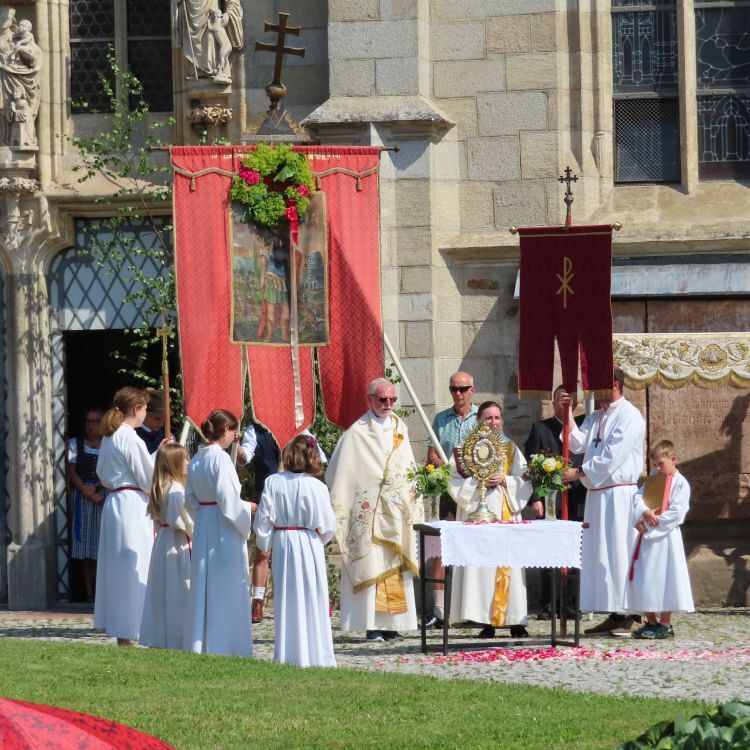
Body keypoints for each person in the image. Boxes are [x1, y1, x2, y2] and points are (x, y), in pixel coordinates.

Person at [326, 378, 424, 643]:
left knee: (395, 562)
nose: (388, 404)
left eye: (392, 399)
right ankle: (371, 624)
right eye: (382, 399)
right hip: (368, 513)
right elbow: (338, 473)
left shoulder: (400, 429)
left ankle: (393, 624)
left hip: (395, 511)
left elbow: (407, 468)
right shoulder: (356, 433)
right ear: (369, 400)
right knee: (371, 562)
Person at [561, 367, 645, 636]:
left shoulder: (630, 416)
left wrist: (578, 473)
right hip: (597, 494)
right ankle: (615, 611)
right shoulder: (597, 416)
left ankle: (631, 611)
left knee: (620, 551)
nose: (591, 391)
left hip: (619, 495)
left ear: (615, 384)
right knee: (602, 555)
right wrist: (567, 411)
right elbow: (577, 444)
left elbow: (612, 457)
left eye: (595, 384)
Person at [448, 401, 532, 638]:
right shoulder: (467, 448)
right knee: (484, 567)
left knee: (509, 564)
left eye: (497, 418)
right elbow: (452, 479)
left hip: (505, 513)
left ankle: (516, 621)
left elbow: (525, 478)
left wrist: (505, 480)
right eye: (488, 418)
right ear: (478, 421)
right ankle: (487, 621)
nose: (493, 422)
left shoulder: (510, 448)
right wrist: (478, 480)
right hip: (478, 514)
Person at [253, 434, 337, 667]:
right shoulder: (317, 486)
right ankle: (315, 652)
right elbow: (328, 525)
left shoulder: (273, 482)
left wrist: (265, 543)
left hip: (283, 542)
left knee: (286, 595)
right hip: (309, 542)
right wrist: (317, 539)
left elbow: (263, 520)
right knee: (311, 595)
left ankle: (288, 651)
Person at [184, 409, 254, 657]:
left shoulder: (196, 459)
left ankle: (203, 639)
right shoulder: (221, 460)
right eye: (234, 431)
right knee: (225, 584)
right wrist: (247, 510)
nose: (236, 437)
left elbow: (189, 498)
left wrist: (202, 516)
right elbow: (229, 500)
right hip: (223, 527)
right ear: (226, 431)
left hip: (205, 522)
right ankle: (225, 641)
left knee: (205, 582)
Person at [95, 387, 156, 646]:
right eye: (144, 409)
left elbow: (109, 472)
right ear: (136, 409)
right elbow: (147, 479)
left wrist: (157, 454)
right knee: (135, 564)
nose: (145, 414)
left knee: (118, 568)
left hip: (115, 503)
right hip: (131, 506)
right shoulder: (130, 437)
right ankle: (133, 627)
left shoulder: (110, 436)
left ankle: (123, 629)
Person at [523, 385, 586, 620]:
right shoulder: (541, 428)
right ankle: (549, 603)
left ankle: (571, 603)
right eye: (560, 398)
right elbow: (530, 466)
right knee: (549, 552)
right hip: (550, 500)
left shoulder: (583, 428)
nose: (565, 402)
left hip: (577, 498)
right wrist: (535, 499)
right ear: (553, 401)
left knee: (575, 552)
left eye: (569, 399)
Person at [424, 371, 478, 629]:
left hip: (474, 493)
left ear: (472, 390)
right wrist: (439, 462)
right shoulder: (441, 418)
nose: (458, 393)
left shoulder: (481, 418)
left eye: (463, 389)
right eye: (453, 389)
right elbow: (431, 454)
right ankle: (439, 610)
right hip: (447, 492)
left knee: (473, 549)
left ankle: (471, 608)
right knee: (440, 550)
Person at [625, 440, 694, 639]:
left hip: (666, 537)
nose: (656, 468)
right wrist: (645, 512)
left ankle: (665, 624)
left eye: (660, 464)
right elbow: (637, 498)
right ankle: (651, 622)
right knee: (644, 576)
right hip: (647, 538)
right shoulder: (653, 479)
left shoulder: (681, 483)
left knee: (665, 578)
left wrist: (648, 526)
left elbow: (677, 512)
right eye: (654, 464)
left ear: (673, 459)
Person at [140, 444, 194, 650]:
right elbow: (185, 522)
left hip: (163, 540)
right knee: (178, 591)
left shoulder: (160, 488)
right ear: (174, 464)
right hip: (176, 542)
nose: (188, 463)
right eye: (184, 459)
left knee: (163, 591)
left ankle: (161, 637)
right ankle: (178, 638)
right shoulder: (176, 490)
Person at [238, 419, 281, 624]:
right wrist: (237, 448)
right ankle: (258, 601)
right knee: (263, 551)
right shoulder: (255, 430)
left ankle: (290, 599)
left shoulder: (298, 424)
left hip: (292, 495)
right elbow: (244, 457)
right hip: (266, 495)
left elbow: (315, 456)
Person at [67, 408, 106, 601]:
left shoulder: (108, 444)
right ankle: (89, 591)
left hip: (102, 496)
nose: (91, 425)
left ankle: (101, 590)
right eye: (88, 421)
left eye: (95, 421)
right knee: (85, 547)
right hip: (83, 499)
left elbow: (111, 470)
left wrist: (97, 488)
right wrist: (85, 489)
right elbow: (71, 472)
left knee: (101, 544)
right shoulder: (75, 444)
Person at [135, 388, 167, 454]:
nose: (161, 423)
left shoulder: (165, 432)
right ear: (145, 414)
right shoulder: (135, 436)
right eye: (157, 419)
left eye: (164, 418)